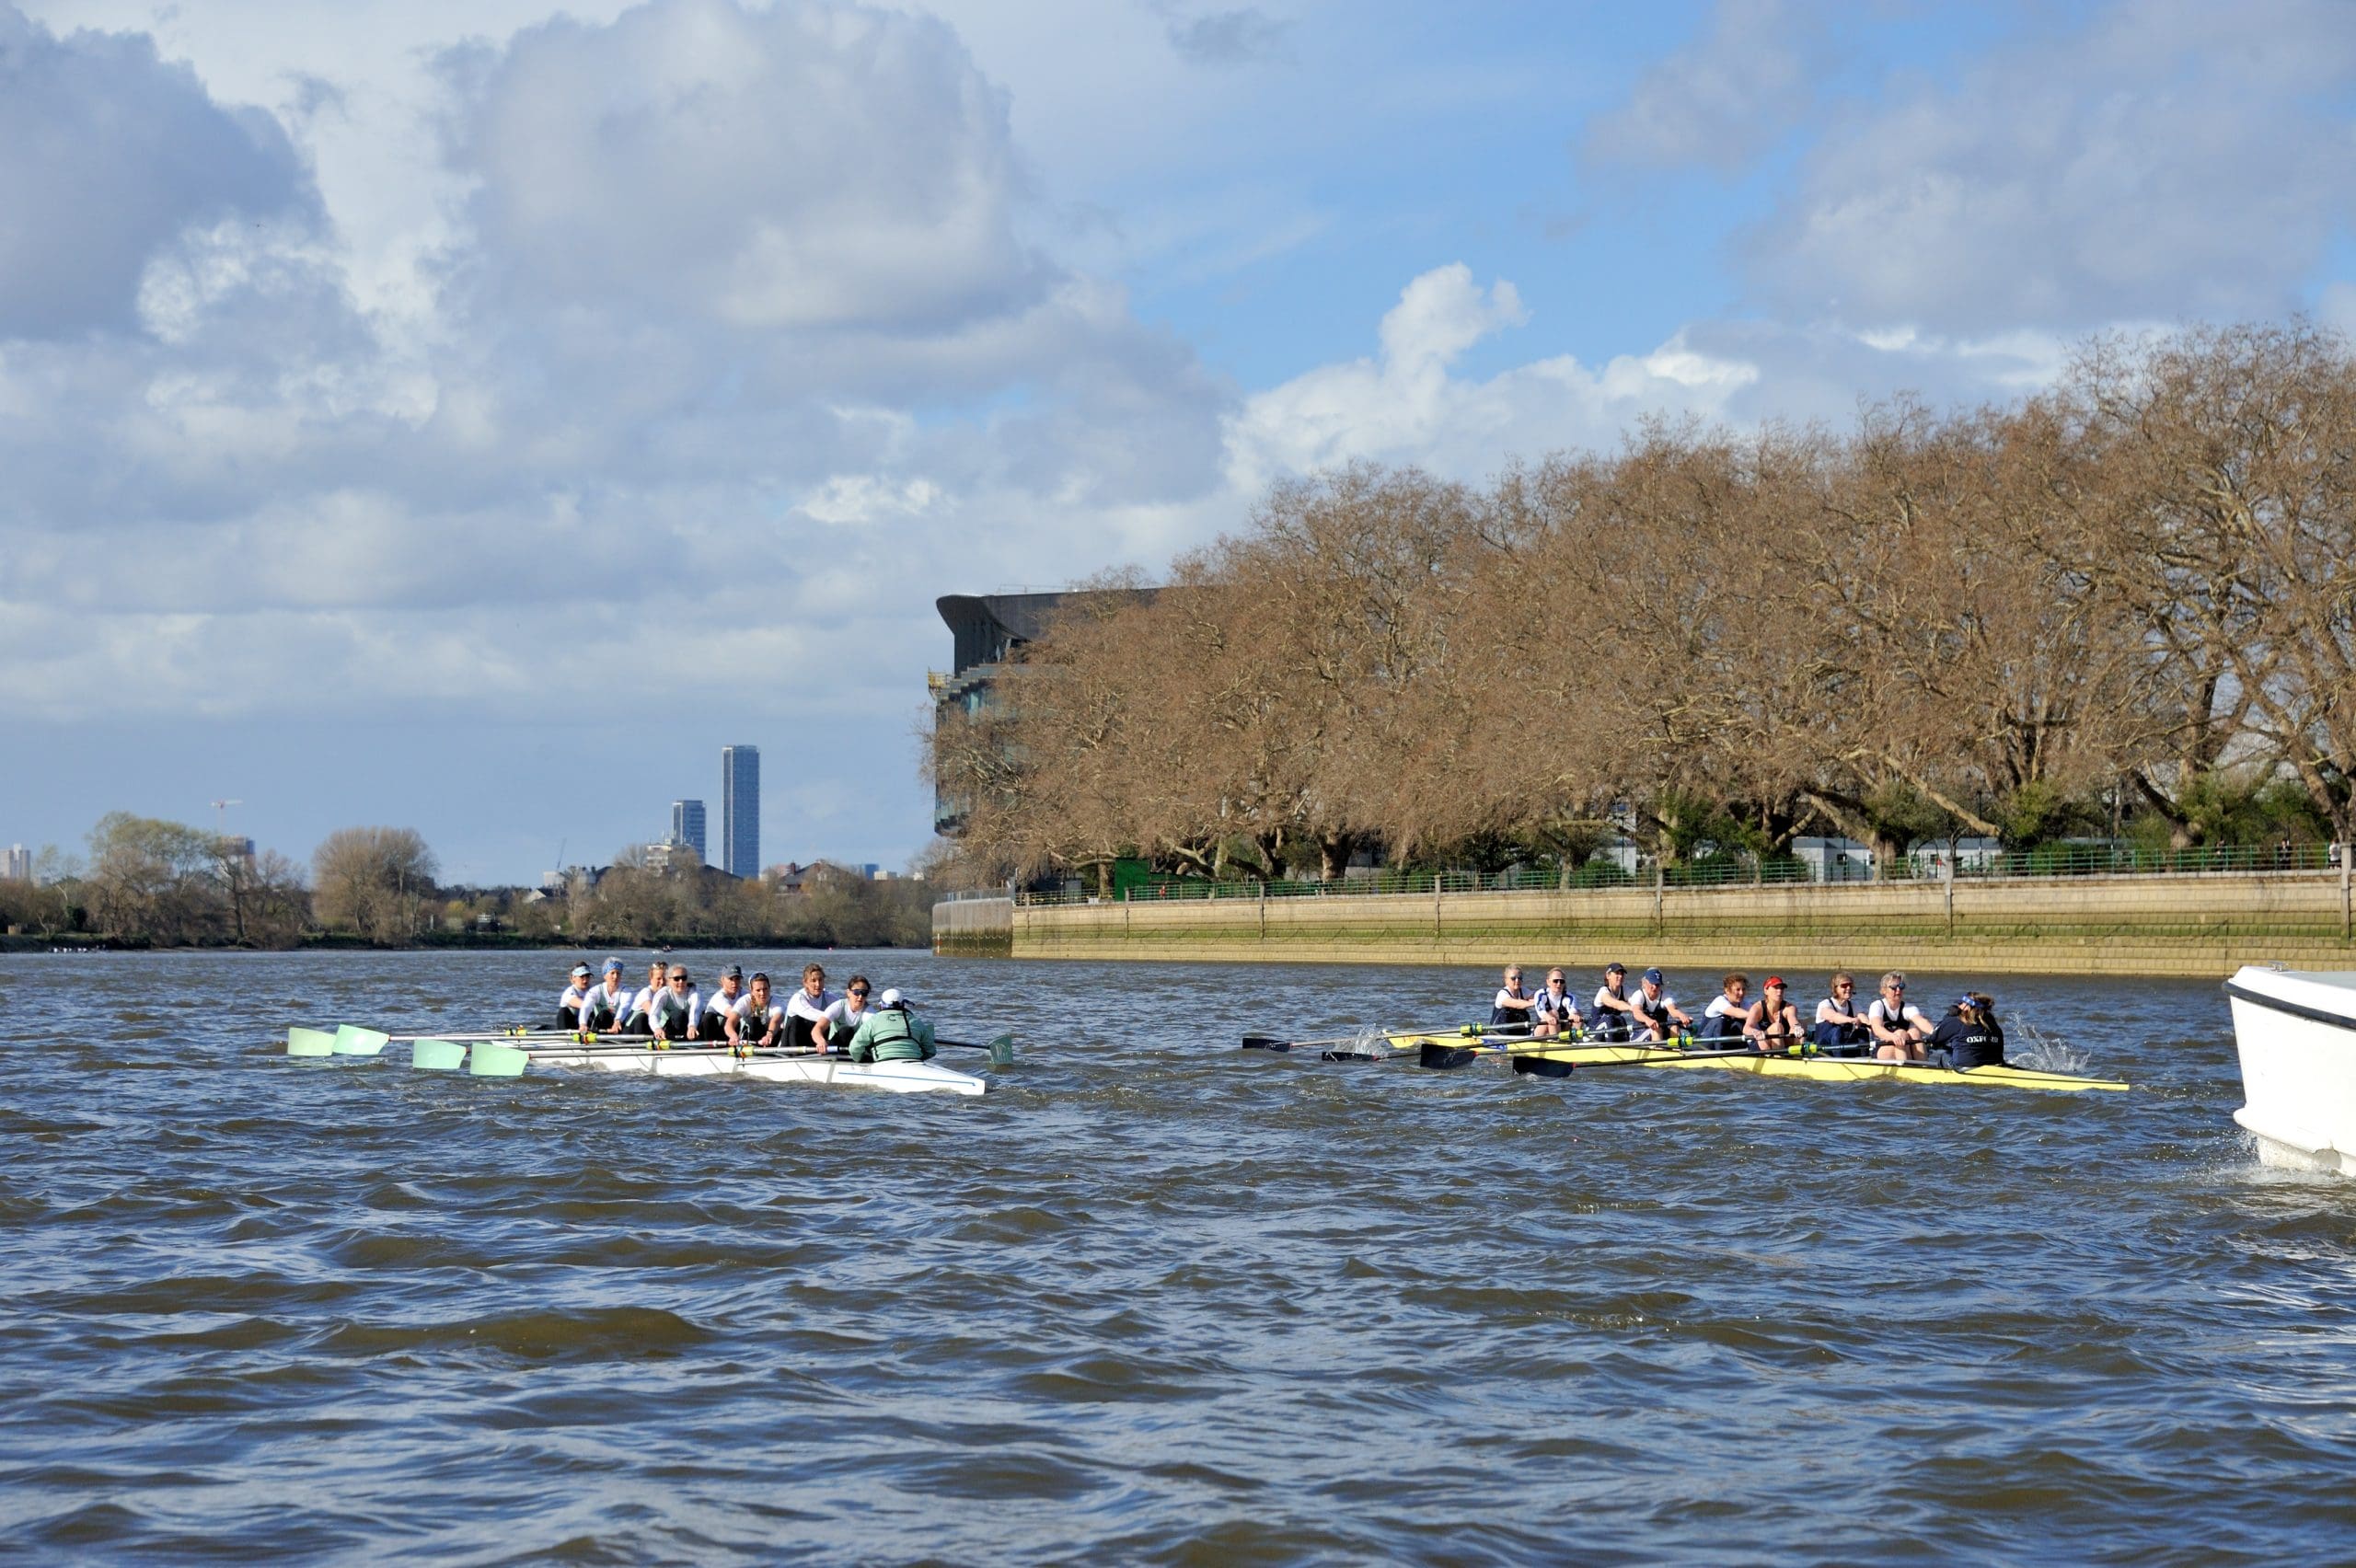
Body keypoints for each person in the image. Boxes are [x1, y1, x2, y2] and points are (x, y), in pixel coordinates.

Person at [845, 986, 937, 1063]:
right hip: (914, 1062)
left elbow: (854, 1048)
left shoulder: (873, 1021)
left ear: (881, 1005)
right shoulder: (916, 1021)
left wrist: (862, 1060)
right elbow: (931, 1051)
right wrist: (919, 1058)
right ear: (903, 1004)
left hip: (883, 1062)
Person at [1927, 992, 2006, 1069]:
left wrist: (1948, 1016)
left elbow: (1934, 1038)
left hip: (1964, 1068)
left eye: (1961, 1003)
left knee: (1944, 1056)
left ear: (1967, 1007)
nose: (1958, 1006)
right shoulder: (1995, 1026)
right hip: (1994, 1066)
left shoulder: (1957, 1022)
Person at [1867, 971, 1934, 1062]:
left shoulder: (1909, 1007)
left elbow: (1921, 1022)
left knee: (1915, 1032)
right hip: (1882, 1051)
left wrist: (1935, 1033)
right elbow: (1877, 1029)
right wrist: (1893, 1037)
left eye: (1901, 986)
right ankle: (1905, 1066)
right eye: (1894, 987)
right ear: (1883, 990)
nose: (1898, 990)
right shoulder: (1877, 1006)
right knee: (1901, 1033)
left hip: (1904, 1049)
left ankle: (1923, 1065)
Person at [784, 963, 839, 1052]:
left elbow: (844, 1009)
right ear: (805, 983)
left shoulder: (829, 997)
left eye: (820, 980)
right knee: (796, 1020)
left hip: (814, 1042)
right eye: (813, 981)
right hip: (792, 1044)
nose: (818, 984)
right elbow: (811, 1013)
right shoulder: (798, 999)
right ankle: (796, 1056)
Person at [1629, 967, 1693, 1043]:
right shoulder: (1638, 995)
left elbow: (1673, 1010)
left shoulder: (1665, 995)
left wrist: (1682, 1016)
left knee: (1674, 1027)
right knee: (1656, 1029)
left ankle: (1676, 1048)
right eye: (1652, 983)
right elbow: (1637, 1012)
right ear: (1644, 983)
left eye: (1657, 985)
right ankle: (1659, 1048)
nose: (1655, 987)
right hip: (1639, 1033)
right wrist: (1647, 1020)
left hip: (1659, 1032)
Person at [1812, 972, 1870, 1054]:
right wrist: (1851, 1020)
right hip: (1823, 1050)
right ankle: (1839, 1059)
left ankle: (1865, 1058)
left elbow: (1863, 1018)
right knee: (1837, 1030)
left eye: (1850, 985)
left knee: (1862, 1030)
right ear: (1835, 988)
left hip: (1843, 1047)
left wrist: (1872, 1026)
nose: (1848, 988)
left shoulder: (1854, 1005)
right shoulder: (1825, 1004)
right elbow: (1834, 1017)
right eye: (1844, 985)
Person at [1745, 975, 1804, 1050]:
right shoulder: (1757, 1008)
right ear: (1766, 990)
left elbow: (1793, 1022)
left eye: (1781, 988)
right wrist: (1755, 1032)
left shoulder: (1789, 1008)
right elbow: (1746, 1028)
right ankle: (1779, 1056)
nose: (1780, 991)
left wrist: (1797, 1027)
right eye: (1776, 988)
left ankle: (1797, 1054)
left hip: (1783, 1042)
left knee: (1802, 1024)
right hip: (1763, 1044)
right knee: (1777, 1027)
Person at [729, 973, 786, 1049]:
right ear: (752, 991)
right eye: (758, 990)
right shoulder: (744, 1001)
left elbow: (776, 1021)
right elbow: (730, 1022)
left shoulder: (777, 1003)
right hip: (750, 1040)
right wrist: (733, 1035)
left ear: (769, 988)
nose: (762, 993)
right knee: (752, 1021)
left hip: (770, 1039)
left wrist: (769, 1035)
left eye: (765, 989)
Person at [648, 964, 702, 1042]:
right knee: (678, 1014)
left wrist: (692, 1026)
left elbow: (695, 1011)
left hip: (689, 1030)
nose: (681, 981)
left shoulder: (694, 993)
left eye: (684, 978)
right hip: (668, 1032)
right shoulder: (663, 994)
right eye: (676, 979)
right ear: (668, 980)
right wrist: (657, 1028)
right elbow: (654, 1015)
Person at [819, 974, 873, 1050]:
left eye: (864, 993)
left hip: (856, 1050)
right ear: (848, 993)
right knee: (846, 1031)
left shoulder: (870, 1012)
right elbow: (818, 1028)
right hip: (834, 1048)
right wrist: (821, 1042)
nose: (860, 996)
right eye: (857, 992)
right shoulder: (838, 1006)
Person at [1590, 963, 1640, 1042]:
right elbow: (1616, 1004)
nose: (1620, 976)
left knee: (1621, 1019)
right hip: (1592, 1034)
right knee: (1608, 1018)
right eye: (1617, 973)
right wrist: (1632, 1008)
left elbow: (1637, 1001)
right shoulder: (1603, 991)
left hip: (1610, 1031)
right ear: (1608, 976)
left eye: (1622, 974)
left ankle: (1626, 1044)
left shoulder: (1625, 990)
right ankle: (1611, 1045)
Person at [698, 964, 748, 1043]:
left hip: (732, 1035)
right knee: (709, 1017)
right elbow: (731, 1013)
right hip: (713, 1035)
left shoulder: (744, 994)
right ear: (723, 980)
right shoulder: (718, 997)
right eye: (731, 979)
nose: (734, 983)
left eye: (737, 979)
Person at [580, 959, 631, 1032]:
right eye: (612, 973)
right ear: (605, 976)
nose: (615, 976)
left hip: (619, 1026)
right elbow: (586, 1007)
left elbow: (624, 1007)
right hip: (602, 1025)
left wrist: (617, 1021)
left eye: (618, 973)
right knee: (604, 1013)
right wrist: (583, 1024)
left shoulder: (626, 991)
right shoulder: (595, 991)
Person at [1530, 969, 1584, 1039]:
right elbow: (1540, 1011)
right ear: (1548, 982)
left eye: (1562, 981)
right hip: (1542, 1032)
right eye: (1555, 981)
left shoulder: (1570, 997)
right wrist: (1548, 1017)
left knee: (1578, 1014)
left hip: (1562, 1031)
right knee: (1553, 1013)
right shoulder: (1541, 994)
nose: (1559, 984)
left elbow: (1572, 1009)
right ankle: (1555, 1041)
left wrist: (1574, 1016)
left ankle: (1576, 1039)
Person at [622, 959, 668, 1035]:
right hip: (630, 1032)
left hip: (651, 1028)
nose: (662, 982)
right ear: (651, 979)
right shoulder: (646, 992)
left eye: (665, 978)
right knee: (642, 1017)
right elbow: (652, 1013)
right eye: (659, 979)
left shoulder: (668, 993)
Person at [1700, 974, 1750, 1040]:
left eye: (1743, 989)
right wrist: (1755, 1016)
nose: (1741, 993)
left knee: (1739, 1023)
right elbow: (1736, 1012)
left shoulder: (1744, 1002)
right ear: (1727, 990)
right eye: (1738, 989)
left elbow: (1754, 1012)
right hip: (1705, 1040)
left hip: (1725, 1040)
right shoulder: (1719, 1001)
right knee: (1719, 1021)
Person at [1491, 967, 1539, 1031]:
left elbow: (1536, 998)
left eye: (1520, 978)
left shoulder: (1523, 990)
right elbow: (1516, 1004)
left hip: (1519, 1030)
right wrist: (1533, 1003)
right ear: (1506, 981)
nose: (1517, 980)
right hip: (1499, 1032)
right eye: (1513, 978)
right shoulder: (1502, 994)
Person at [558, 964, 593, 1028]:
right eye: (582, 976)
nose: (585, 980)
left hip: (586, 1024)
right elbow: (582, 1004)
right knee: (564, 1011)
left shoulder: (593, 990)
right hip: (570, 1025)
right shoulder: (569, 992)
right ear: (573, 978)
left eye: (587, 976)